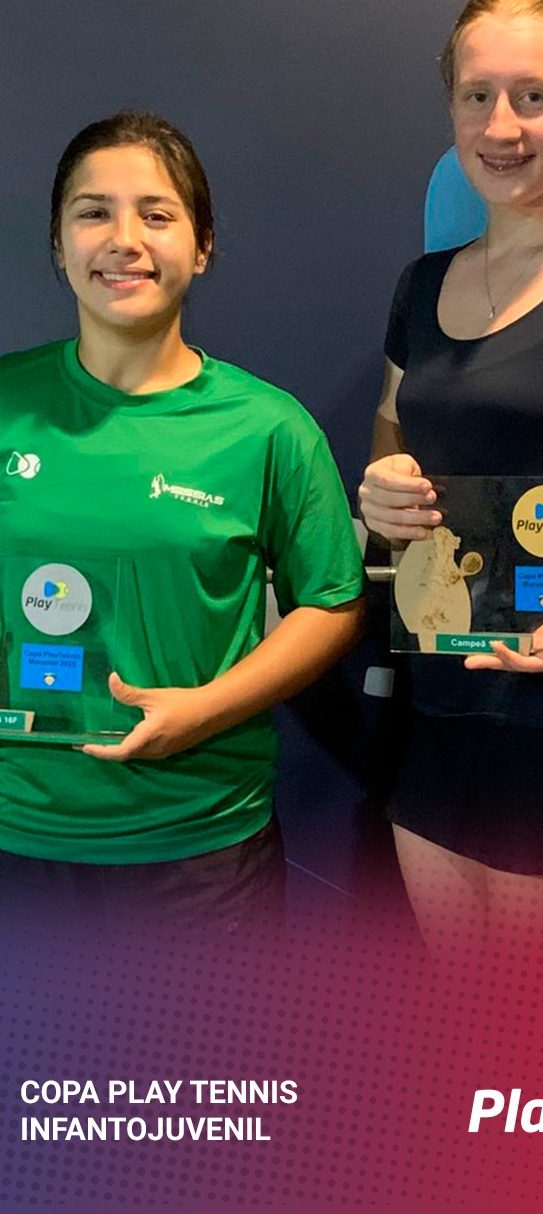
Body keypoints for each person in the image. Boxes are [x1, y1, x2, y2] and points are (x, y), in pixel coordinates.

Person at [0, 110, 365, 934]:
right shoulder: (6, 403)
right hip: (16, 836)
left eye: (157, 214)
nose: (124, 240)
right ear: (58, 243)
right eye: (93, 212)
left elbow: (331, 603)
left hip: (198, 848)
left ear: (201, 247)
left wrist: (204, 711)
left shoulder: (267, 428)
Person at [358, 0, 543, 960]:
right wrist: (383, 491)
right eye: (476, 95)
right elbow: (391, 434)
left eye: (534, 96)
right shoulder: (420, 287)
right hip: (438, 710)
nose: (500, 126)